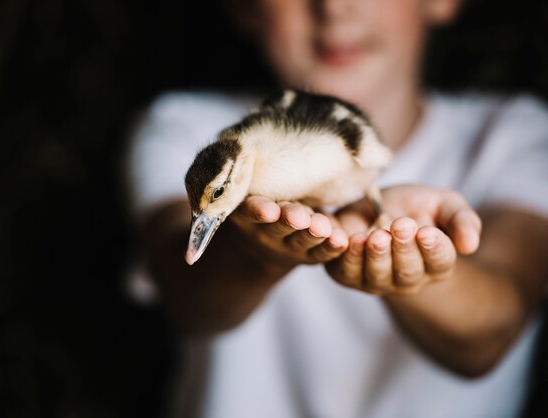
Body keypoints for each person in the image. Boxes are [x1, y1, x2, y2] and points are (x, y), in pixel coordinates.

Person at [129, 0, 548, 417]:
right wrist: (252, 250)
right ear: (245, 8)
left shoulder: (519, 139)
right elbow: (187, 301)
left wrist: (410, 260)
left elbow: (492, 332)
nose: (333, 8)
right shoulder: (182, 127)